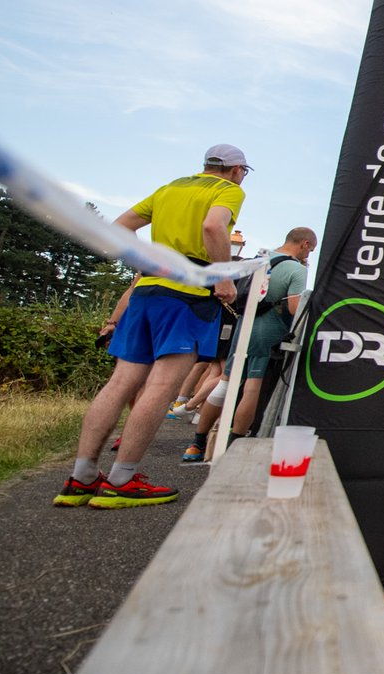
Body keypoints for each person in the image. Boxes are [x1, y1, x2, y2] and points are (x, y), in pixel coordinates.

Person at [53, 144, 249, 509]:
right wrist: (223, 277)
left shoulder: (169, 188)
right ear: (236, 170)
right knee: (160, 387)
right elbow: (212, 225)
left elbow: (120, 227)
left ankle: (80, 478)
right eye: (243, 172)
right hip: (187, 294)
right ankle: (121, 481)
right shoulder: (227, 190)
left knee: (120, 383)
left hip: (146, 291)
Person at [181, 229, 316, 462]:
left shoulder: (258, 259)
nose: (309, 254)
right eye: (311, 249)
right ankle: (235, 444)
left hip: (242, 325)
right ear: (304, 244)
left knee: (224, 383)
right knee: (252, 387)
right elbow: (295, 309)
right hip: (269, 329)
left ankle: (197, 444)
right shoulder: (296, 269)